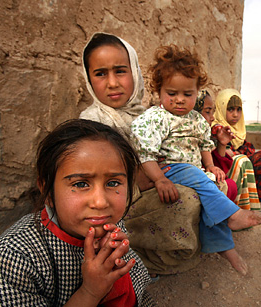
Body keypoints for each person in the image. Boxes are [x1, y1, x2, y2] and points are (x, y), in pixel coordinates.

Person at [0, 119, 154, 306]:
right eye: (80, 184)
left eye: (113, 183)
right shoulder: (15, 258)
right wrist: (90, 291)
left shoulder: (109, 226)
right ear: (48, 191)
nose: (100, 202)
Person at [131, 45, 261, 275]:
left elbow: (205, 145)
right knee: (197, 176)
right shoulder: (155, 117)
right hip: (168, 168)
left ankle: (226, 248)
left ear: (196, 93)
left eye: (187, 94)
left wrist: (211, 165)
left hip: (193, 172)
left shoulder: (196, 119)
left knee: (210, 197)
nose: (179, 100)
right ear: (159, 91)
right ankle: (233, 215)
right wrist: (159, 180)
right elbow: (145, 154)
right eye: (171, 93)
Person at [78, 33, 203, 276]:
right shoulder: (91, 124)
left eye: (120, 71)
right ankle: (140, 261)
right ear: (89, 79)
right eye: (101, 73)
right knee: (185, 200)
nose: (112, 83)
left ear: (134, 71)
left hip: (151, 192)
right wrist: (137, 179)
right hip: (116, 208)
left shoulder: (147, 117)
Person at [194, 89, 261, 210]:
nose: (213, 118)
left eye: (238, 109)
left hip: (211, 170)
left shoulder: (204, 134)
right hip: (195, 174)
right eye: (208, 112)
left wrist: (222, 144)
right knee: (240, 162)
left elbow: (215, 162)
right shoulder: (214, 130)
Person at [213, 88, 261, 202]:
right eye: (230, 109)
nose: (235, 115)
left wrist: (238, 152)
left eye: (238, 110)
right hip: (224, 167)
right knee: (255, 158)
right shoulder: (218, 129)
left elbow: (243, 147)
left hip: (239, 160)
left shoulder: (238, 129)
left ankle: (258, 195)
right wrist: (236, 153)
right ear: (221, 108)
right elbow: (223, 154)